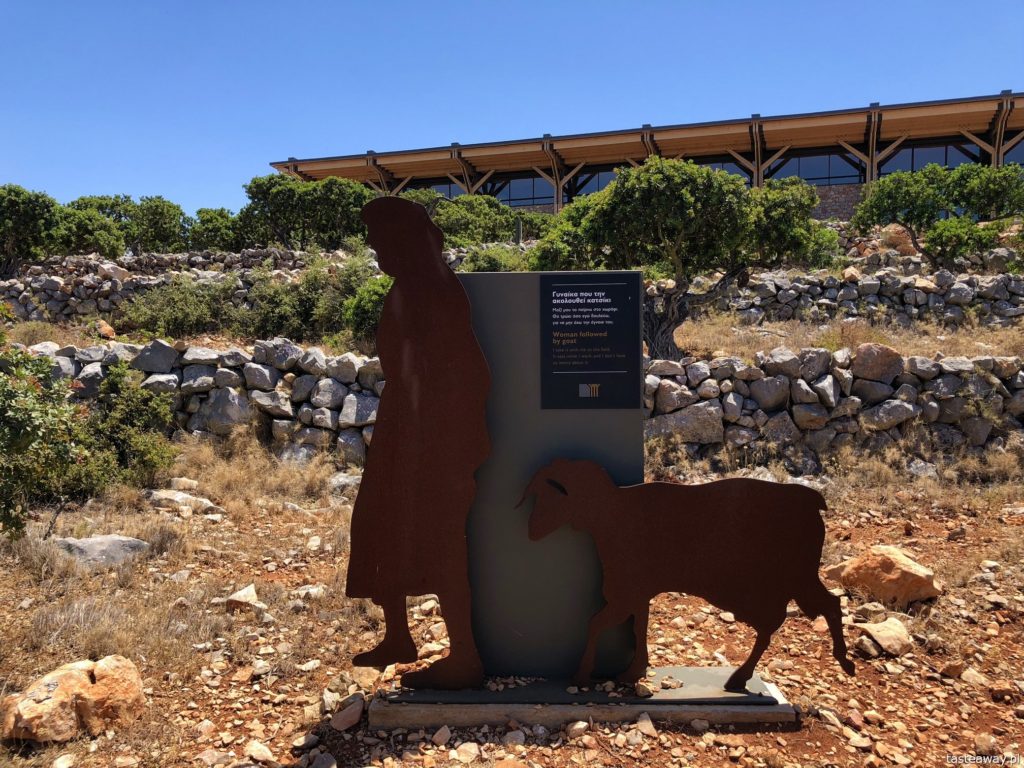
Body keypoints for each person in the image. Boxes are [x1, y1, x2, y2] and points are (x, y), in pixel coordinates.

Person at [345, 196, 490, 689]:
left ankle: (465, 656)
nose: (373, 248)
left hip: (436, 441)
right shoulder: (408, 288)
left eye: (379, 239)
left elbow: (471, 374)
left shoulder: (435, 291)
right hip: (406, 433)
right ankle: (398, 637)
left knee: (442, 542)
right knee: (384, 526)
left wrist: (451, 445)